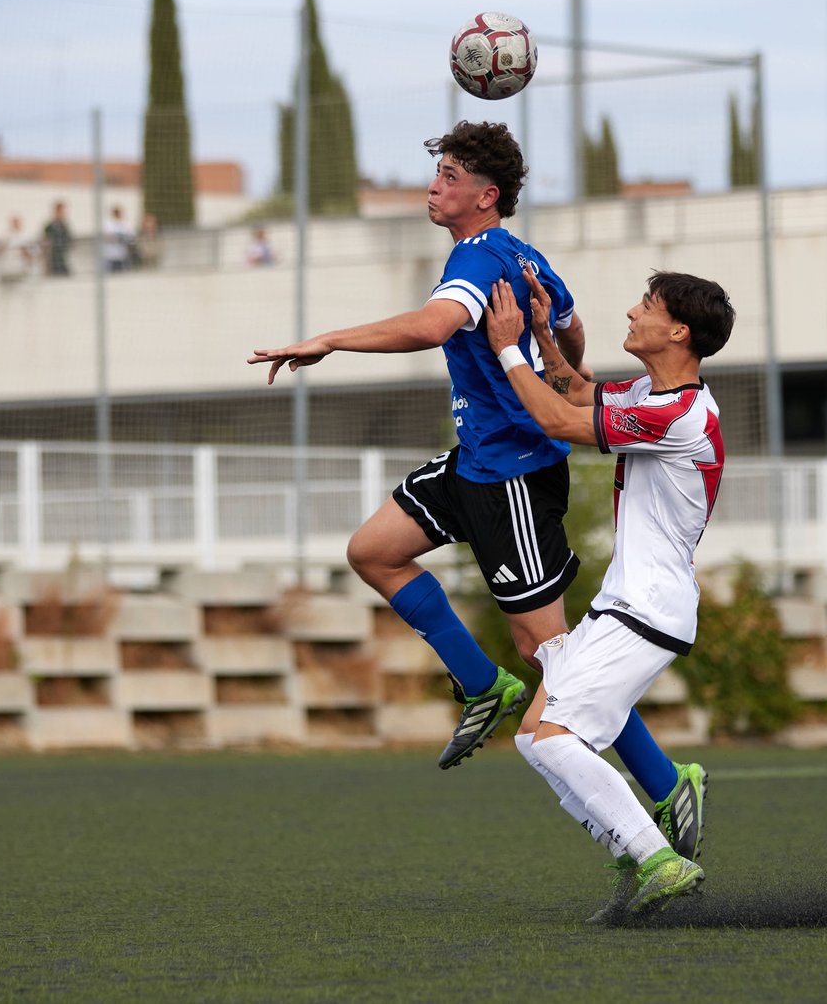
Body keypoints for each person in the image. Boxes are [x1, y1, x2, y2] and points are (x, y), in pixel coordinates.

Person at [248, 121, 705, 859]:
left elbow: (434, 326)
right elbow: (575, 331)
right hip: (476, 461)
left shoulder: (481, 256)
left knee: (556, 663)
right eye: (438, 173)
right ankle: (480, 685)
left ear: (485, 195)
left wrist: (329, 339)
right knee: (374, 550)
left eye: (451, 175)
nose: (435, 185)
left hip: (516, 477)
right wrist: (547, 354)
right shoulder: (524, 257)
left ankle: (665, 779)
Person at [484, 265, 733, 923]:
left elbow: (559, 419)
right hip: (627, 604)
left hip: (647, 609)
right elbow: (580, 389)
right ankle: (631, 851)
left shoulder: (675, 413)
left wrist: (506, 346)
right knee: (534, 736)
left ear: (676, 329)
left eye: (645, 305)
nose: (630, 311)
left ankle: (660, 860)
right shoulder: (656, 396)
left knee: (560, 738)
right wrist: (543, 334)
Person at [0, 214, 38, 284]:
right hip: (7, 270)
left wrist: (26, 253)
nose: (15, 224)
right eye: (13, 222)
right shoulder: (4, 236)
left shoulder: (27, 236)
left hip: (22, 270)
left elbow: (34, 255)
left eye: (17, 222)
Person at [42, 201, 72, 277]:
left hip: (63, 260)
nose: (65, 213)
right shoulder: (50, 226)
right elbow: (46, 245)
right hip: (54, 262)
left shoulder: (64, 226)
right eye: (63, 211)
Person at [103, 205, 132, 273]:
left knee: (122, 273)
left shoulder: (126, 224)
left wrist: (117, 237)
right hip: (110, 255)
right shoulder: (108, 224)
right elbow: (107, 237)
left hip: (122, 255)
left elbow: (130, 237)